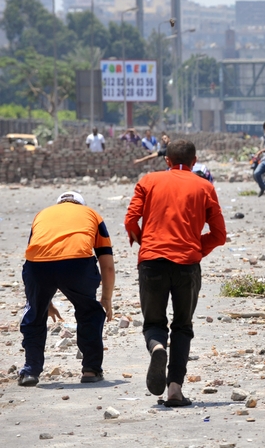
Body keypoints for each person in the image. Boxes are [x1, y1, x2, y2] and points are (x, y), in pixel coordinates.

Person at [124, 139, 227, 407]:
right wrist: (195, 249)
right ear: (194, 162)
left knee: (154, 324)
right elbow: (219, 235)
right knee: (182, 326)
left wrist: (143, 241)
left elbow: (130, 219)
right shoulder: (205, 186)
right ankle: (174, 391)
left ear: (166, 161)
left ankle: (157, 347)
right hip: (187, 265)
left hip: (151, 262)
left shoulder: (148, 181)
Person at [18, 191, 115, 387]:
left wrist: (45, 302)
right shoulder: (92, 215)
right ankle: (90, 370)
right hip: (77, 265)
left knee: (35, 315)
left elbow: (37, 254)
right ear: (81, 204)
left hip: (38, 267)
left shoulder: (42, 214)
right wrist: (106, 298)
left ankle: (31, 371)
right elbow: (107, 264)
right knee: (89, 313)